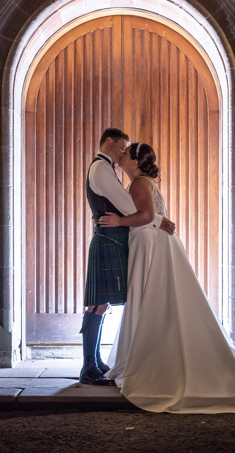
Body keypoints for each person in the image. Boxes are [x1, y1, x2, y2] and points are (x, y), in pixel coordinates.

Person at [99, 142, 235, 412]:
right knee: (156, 301)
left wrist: (119, 221)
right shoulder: (145, 182)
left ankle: (148, 360)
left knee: (150, 299)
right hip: (155, 243)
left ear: (134, 161)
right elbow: (155, 216)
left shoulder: (139, 184)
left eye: (125, 153)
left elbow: (145, 215)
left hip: (150, 246)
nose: (120, 156)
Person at [79, 129, 176, 386]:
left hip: (112, 238)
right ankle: (89, 367)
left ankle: (95, 362)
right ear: (110, 141)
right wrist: (157, 218)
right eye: (122, 146)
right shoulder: (100, 168)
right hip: (107, 239)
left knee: (102, 303)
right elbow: (128, 206)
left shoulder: (106, 168)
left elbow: (128, 207)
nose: (124, 151)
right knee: (98, 303)